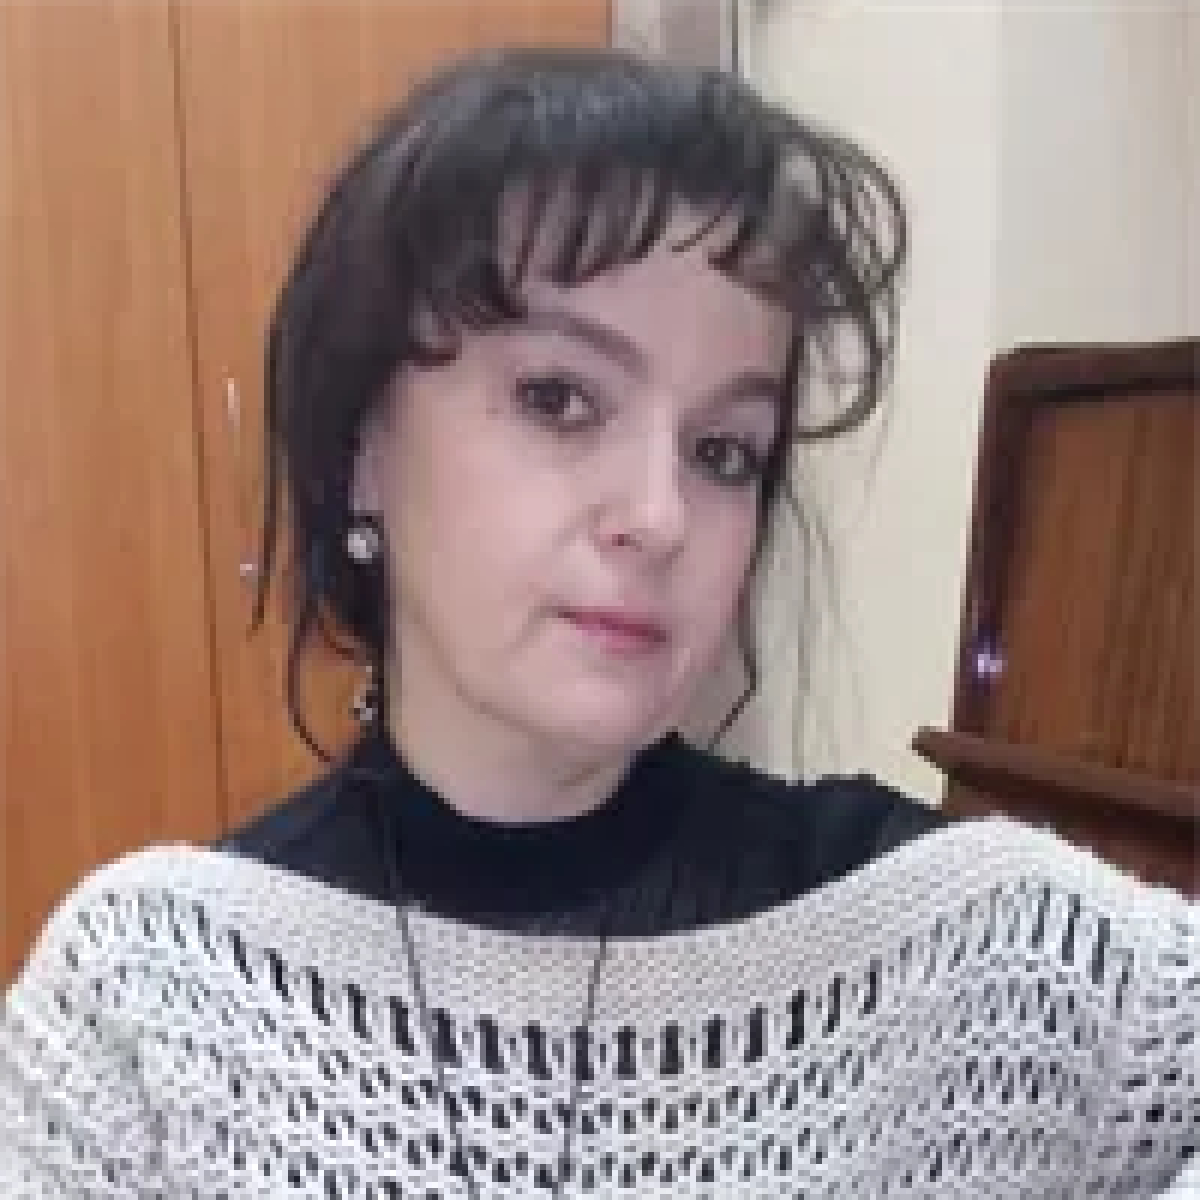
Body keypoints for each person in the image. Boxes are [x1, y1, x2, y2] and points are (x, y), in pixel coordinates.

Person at [2, 47, 1195, 1200]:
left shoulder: (957, 949)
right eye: (561, 399)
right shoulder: (149, 1005)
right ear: (361, 447)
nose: (660, 516)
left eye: (724, 451)